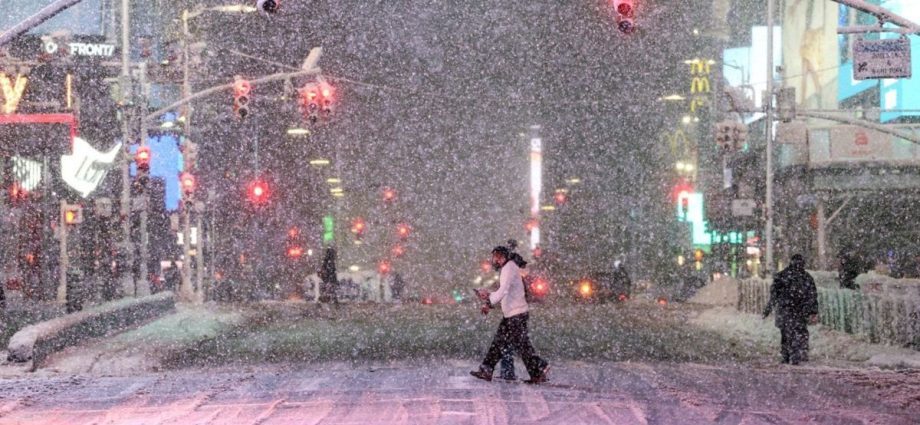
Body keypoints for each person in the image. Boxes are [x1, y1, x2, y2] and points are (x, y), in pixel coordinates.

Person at [471, 246, 549, 384]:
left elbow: (503, 291)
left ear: (504, 256)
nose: (495, 260)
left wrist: (488, 302)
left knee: (518, 345)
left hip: (516, 315)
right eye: (494, 258)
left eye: (497, 257)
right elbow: (504, 291)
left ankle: (539, 367)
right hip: (513, 314)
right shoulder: (509, 267)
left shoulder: (509, 267)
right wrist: (489, 295)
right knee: (502, 343)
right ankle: (536, 372)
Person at [763, 254, 819, 365]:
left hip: (786, 309)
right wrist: (813, 310)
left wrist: (768, 308)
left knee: (786, 332)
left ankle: (788, 354)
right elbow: (812, 295)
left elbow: (774, 295)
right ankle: (797, 353)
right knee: (799, 331)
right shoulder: (806, 278)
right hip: (799, 310)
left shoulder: (782, 276)